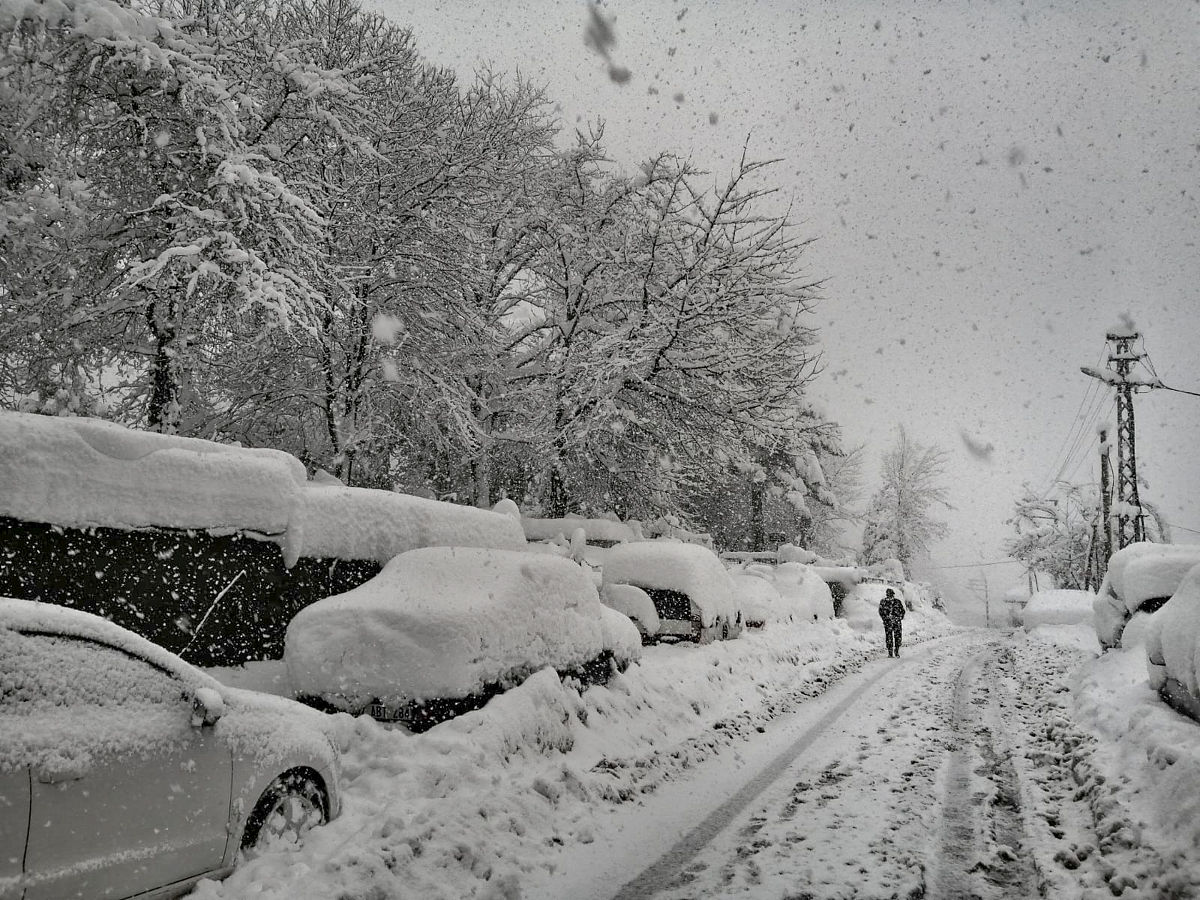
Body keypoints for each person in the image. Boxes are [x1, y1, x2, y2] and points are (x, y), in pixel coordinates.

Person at [879, 587, 906, 658]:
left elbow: (902, 611)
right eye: (888, 595)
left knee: (898, 637)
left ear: (893, 595)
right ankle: (890, 652)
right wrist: (885, 619)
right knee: (889, 638)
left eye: (891, 595)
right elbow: (881, 612)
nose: (890, 596)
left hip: (897, 623)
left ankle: (896, 650)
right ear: (886, 595)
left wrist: (899, 618)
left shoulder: (897, 602)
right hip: (888, 623)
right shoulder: (883, 602)